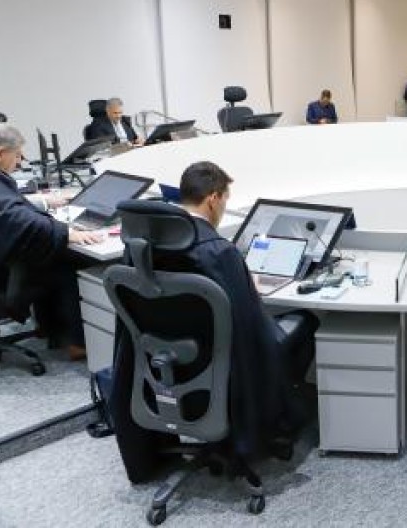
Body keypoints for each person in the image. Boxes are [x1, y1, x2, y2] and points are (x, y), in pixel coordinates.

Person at [109, 161, 319, 482]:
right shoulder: (217, 252)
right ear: (213, 199)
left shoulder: (140, 248)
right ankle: (270, 427)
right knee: (304, 322)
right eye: (224, 200)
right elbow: (252, 328)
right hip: (226, 377)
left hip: (165, 369)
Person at [0, 123, 102, 358]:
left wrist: (44, 210)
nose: (21, 161)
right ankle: (77, 343)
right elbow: (18, 221)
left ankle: (49, 329)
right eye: (18, 155)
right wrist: (67, 233)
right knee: (69, 262)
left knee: (47, 249)